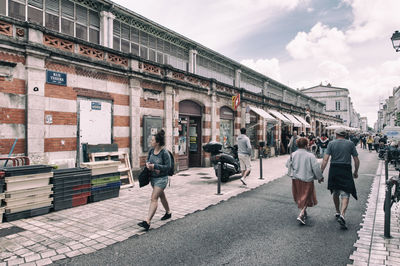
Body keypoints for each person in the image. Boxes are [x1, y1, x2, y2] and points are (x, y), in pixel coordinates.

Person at [321, 128, 360, 230]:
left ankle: (337, 211)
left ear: (336, 134)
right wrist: (356, 171)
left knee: (335, 191)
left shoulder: (331, 144)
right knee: (346, 192)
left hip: (334, 168)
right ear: (345, 135)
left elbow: (325, 159)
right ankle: (342, 214)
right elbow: (356, 159)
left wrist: (320, 172)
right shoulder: (350, 144)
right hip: (346, 168)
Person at [138, 129, 172, 231]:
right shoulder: (151, 151)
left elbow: (168, 167)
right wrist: (148, 164)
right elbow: (148, 160)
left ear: (157, 142)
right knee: (162, 196)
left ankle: (147, 221)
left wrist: (156, 166)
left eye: (152, 140)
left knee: (154, 198)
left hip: (162, 179)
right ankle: (168, 212)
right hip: (153, 179)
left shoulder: (164, 153)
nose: (150, 142)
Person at [286, 137, 324, 225]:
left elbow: (287, 164)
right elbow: (315, 167)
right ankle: (301, 214)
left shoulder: (293, 154)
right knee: (307, 196)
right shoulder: (310, 155)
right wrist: (320, 177)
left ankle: (304, 212)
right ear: (306, 145)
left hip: (295, 179)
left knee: (300, 195)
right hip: (307, 178)